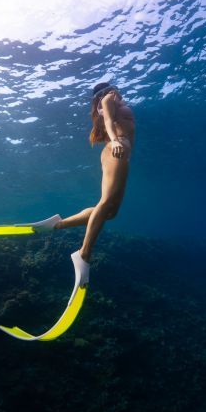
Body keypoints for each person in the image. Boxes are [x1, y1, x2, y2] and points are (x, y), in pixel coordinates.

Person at [49, 82, 136, 281]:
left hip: (120, 153)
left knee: (111, 212)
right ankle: (84, 253)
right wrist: (114, 140)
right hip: (117, 149)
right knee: (105, 203)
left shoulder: (112, 100)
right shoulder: (110, 97)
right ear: (107, 90)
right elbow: (108, 121)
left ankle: (59, 225)